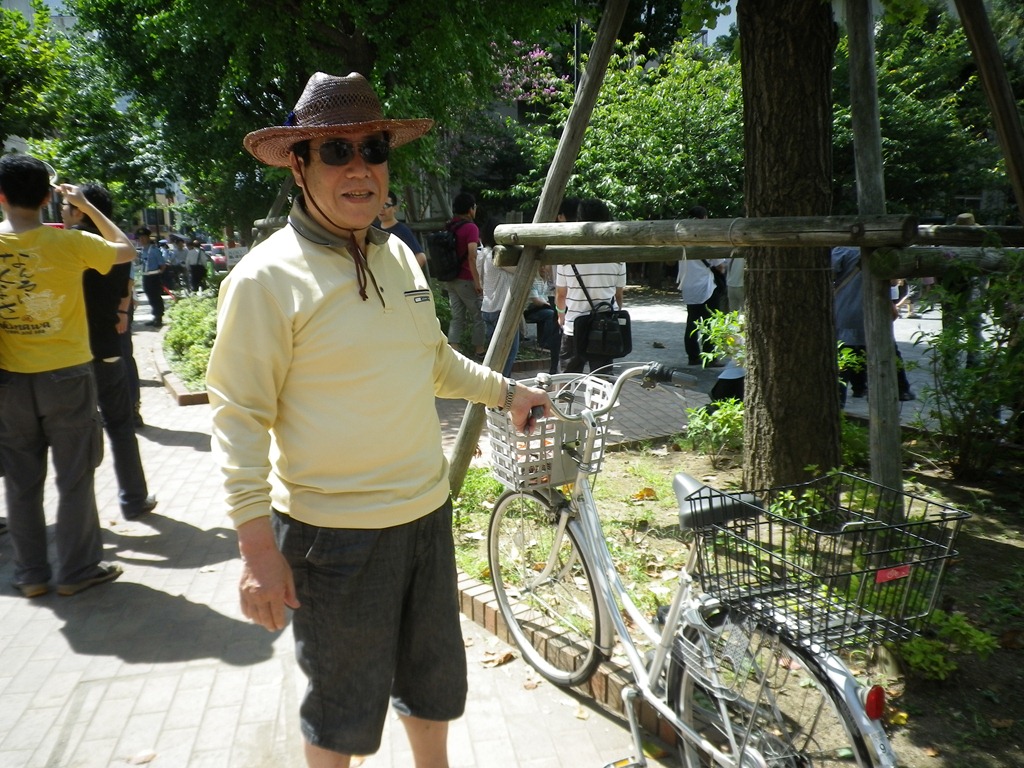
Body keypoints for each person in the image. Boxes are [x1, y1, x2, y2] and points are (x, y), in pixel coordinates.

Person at [206, 71, 550, 768]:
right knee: (343, 709)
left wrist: (505, 392)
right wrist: (257, 552)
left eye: (373, 148)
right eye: (337, 151)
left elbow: (432, 360)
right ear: (299, 165)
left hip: (425, 515)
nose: (360, 167)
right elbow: (238, 417)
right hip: (332, 539)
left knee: (433, 680)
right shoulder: (265, 279)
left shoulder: (396, 255)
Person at [0, 153, 137, 598]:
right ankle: (77, 570)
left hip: (10, 381)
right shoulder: (70, 243)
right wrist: (86, 204)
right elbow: (125, 249)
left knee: (21, 482)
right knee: (74, 477)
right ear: (46, 197)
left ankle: (31, 574)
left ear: (1, 197)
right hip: (68, 376)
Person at [63, 182, 158, 521]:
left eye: (67, 206)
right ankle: (134, 499)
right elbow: (125, 269)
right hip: (107, 348)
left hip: (71, 355)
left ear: (79, 211)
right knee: (120, 427)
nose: (63, 211)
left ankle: (81, 519)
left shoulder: (69, 245)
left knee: (74, 437)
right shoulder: (113, 249)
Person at [832, 246, 914, 404]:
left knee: (846, 349)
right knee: (886, 347)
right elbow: (894, 281)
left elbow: (830, 273)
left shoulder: (843, 250)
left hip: (846, 307)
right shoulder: (883, 249)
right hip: (876, 307)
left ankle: (840, 396)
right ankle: (901, 389)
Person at [554, 197, 626, 373]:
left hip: (574, 325)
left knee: (567, 379)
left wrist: (561, 315)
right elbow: (618, 295)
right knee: (602, 379)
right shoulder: (618, 255)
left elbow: (561, 294)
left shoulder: (567, 254)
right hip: (604, 326)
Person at [677, 206, 726, 366]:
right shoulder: (706, 239)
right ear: (704, 218)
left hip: (688, 285)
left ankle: (693, 356)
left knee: (692, 322)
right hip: (706, 286)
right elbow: (720, 266)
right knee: (709, 322)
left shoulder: (681, 240)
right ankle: (709, 357)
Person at [442, 192, 485, 359]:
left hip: (450, 278)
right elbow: (472, 255)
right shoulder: (471, 228)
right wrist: (477, 282)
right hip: (466, 278)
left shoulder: (450, 225)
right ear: (470, 209)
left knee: (457, 316)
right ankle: (480, 350)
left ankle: (454, 350)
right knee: (479, 315)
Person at [477, 216, 518, 377]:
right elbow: (520, 268)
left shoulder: (483, 254)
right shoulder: (498, 255)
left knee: (495, 356)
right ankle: (501, 388)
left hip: (487, 309)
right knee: (507, 355)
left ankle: (494, 387)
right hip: (501, 310)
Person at [376, 190, 425, 270]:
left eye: (385, 205)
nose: (381, 209)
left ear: (395, 208)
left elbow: (420, 257)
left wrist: (404, 274)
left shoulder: (402, 231)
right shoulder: (373, 228)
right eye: (379, 205)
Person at [523, 275, 560, 375]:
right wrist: (549, 305)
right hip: (530, 310)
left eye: (544, 267)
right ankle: (546, 341)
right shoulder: (534, 281)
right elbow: (536, 301)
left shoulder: (545, 281)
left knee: (551, 313)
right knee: (551, 314)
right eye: (541, 267)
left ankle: (545, 340)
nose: (543, 268)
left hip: (541, 307)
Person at [138, 227, 166, 326]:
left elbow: (162, 265)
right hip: (146, 277)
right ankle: (155, 316)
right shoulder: (143, 250)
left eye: (143, 237)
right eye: (140, 238)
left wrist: (158, 275)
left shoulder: (154, 250)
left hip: (154, 276)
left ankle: (159, 317)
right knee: (150, 297)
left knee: (156, 297)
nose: (141, 240)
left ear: (148, 238)